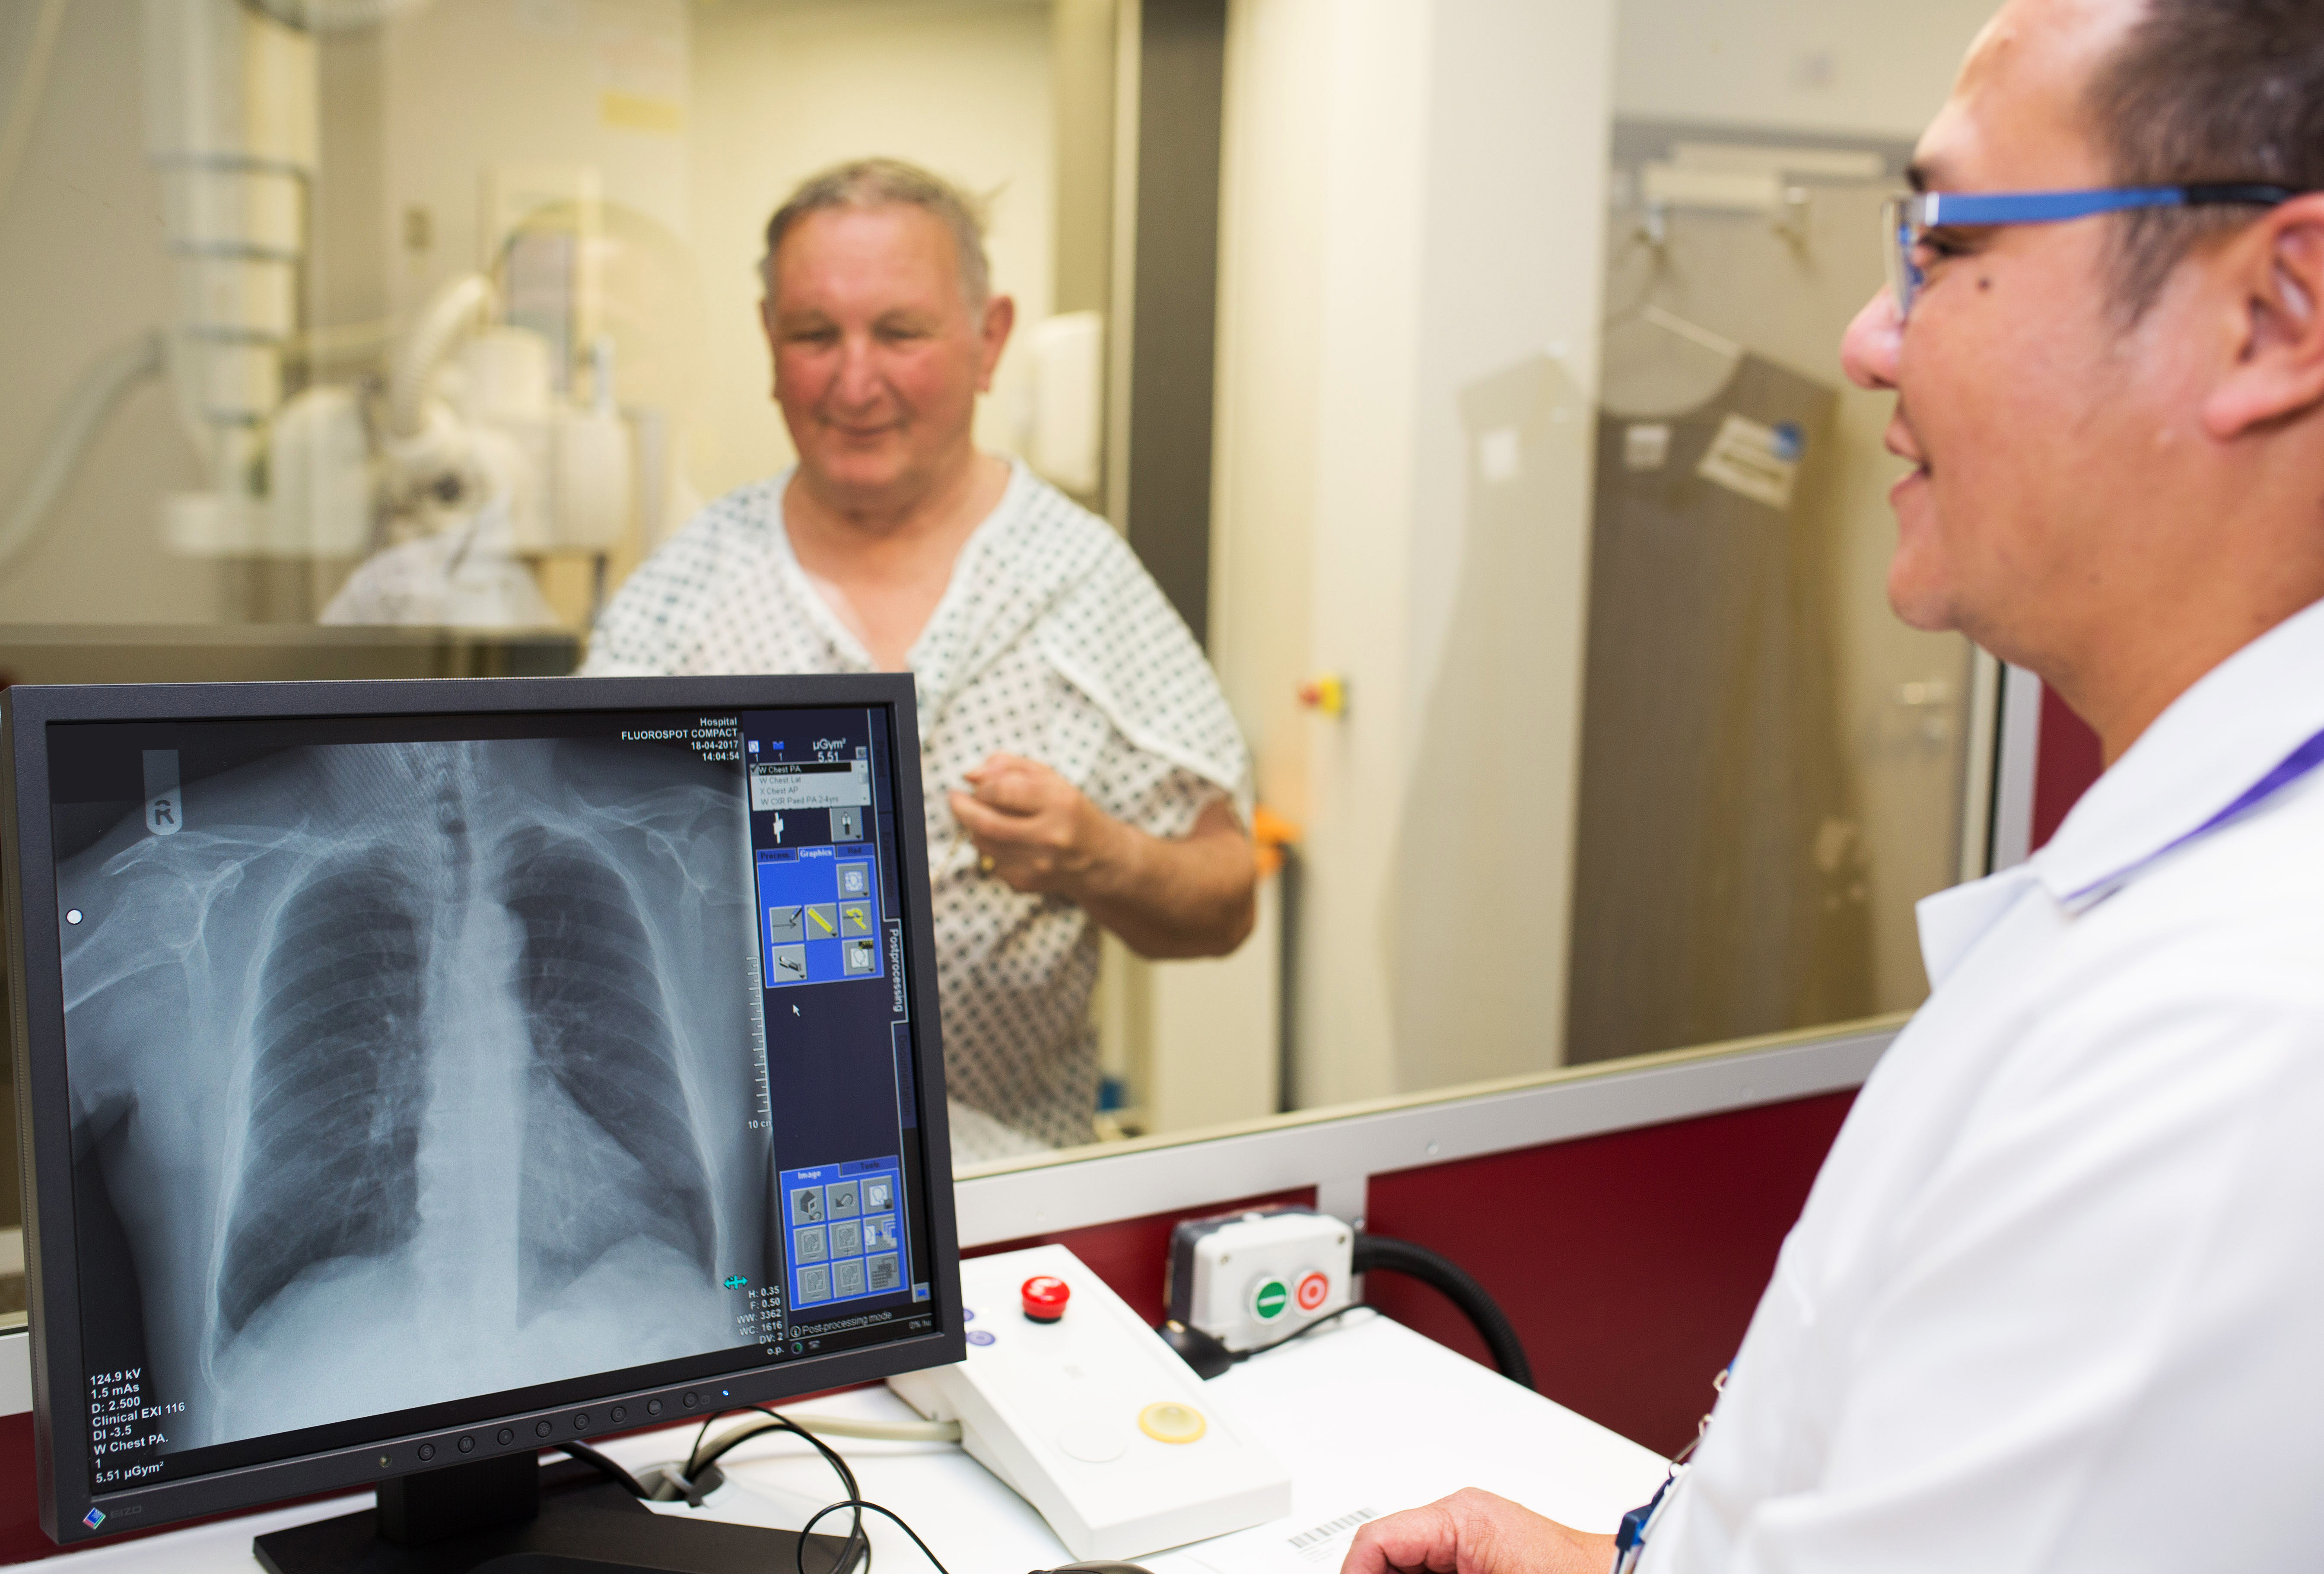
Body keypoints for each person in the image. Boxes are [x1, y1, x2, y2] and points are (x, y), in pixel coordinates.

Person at [1346, 0, 2324, 1569]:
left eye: (1940, 243)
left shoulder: (2238, 1047)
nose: (1868, 339)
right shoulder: (2165, 913)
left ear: (2276, 312)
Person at [583, 159, 1256, 1163]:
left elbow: (1224, 897)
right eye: (815, 335)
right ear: (770, 341)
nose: (855, 382)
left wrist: (1096, 854)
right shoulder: (686, 592)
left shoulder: (1077, 580)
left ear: (988, 340)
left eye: (900, 333)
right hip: (730, 1190)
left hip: (1015, 1196)